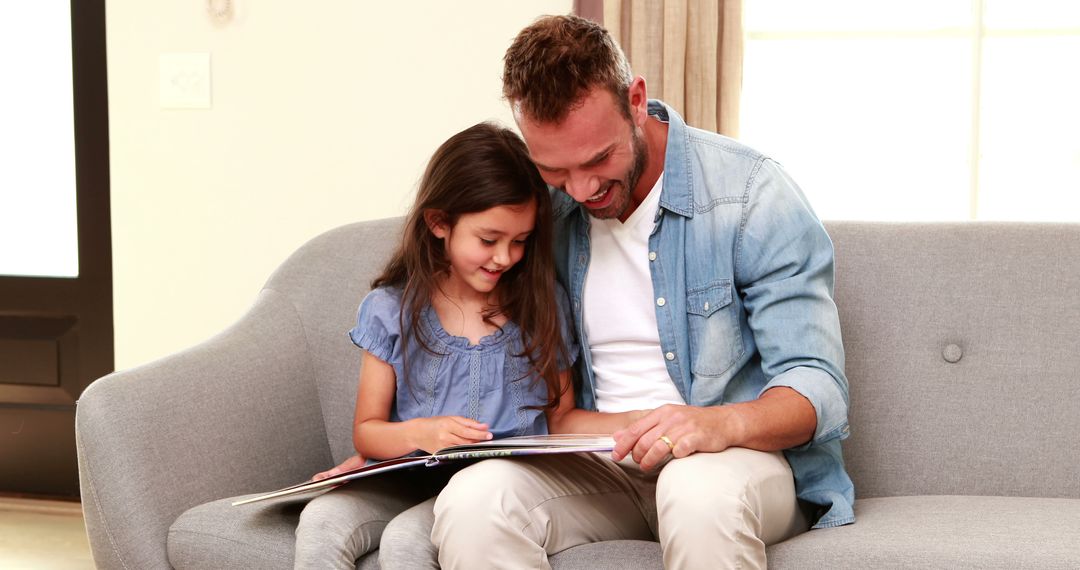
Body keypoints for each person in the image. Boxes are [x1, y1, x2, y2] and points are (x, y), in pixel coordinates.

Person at [428, 15, 855, 569]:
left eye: (599, 159)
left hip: (737, 463)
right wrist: (380, 440)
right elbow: (452, 315)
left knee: (697, 494)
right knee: (473, 501)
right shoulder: (546, 214)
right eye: (554, 170)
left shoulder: (749, 194)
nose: (581, 190)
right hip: (603, 466)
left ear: (635, 100)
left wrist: (716, 423)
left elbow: (817, 383)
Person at [292, 122, 579, 569]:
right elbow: (367, 430)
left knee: (407, 540)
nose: (504, 257)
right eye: (489, 240)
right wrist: (419, 434)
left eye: (520, 241)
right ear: (439, 222)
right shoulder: (392, 311)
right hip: (406, 480)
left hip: (491, 495)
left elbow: (561, 420)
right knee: (321, 520)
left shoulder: (543, 306)